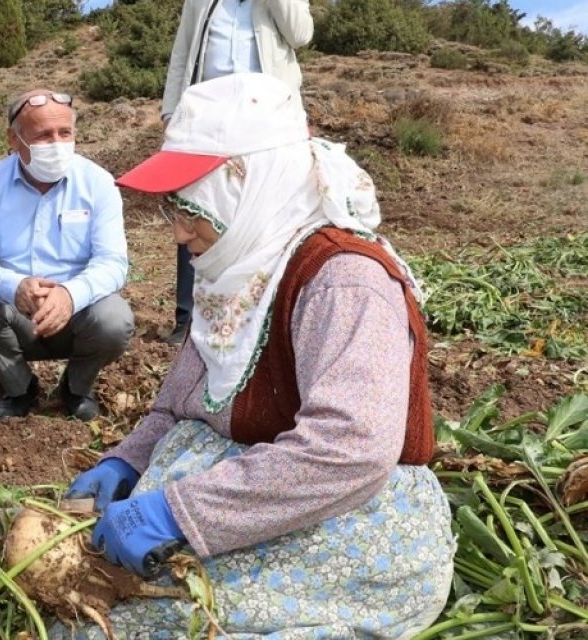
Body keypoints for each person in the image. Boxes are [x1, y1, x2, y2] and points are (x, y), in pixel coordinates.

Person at [60, 74, 453, 637]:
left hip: (339, 515)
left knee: (128, 625)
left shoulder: (344, 281)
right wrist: (128, 461)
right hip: (240, 503)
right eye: (173, 209)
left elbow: (351, 449)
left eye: (190, 208)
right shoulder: (236, 273)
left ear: (244, 186)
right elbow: (181, 402)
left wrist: (179, 512)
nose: (178, 233)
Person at [0, 89, 132, 422]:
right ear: (14, 139)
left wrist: (70, 295)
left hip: (78, 315)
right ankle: (20, 387)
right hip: (16, 314)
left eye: (65, 133)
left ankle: (76, 387)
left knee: (115, 319)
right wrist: (16, 286)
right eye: (44, 135)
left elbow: (113, 263)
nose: (57, 144)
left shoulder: (98, 183)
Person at [159, 0, 314, 344]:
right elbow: (182, 53)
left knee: (264, 212)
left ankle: (260, 311)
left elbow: (301, 34)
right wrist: (171, 112)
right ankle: (189, 316)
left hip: (265, 121)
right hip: (206, 119)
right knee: (195, 210)